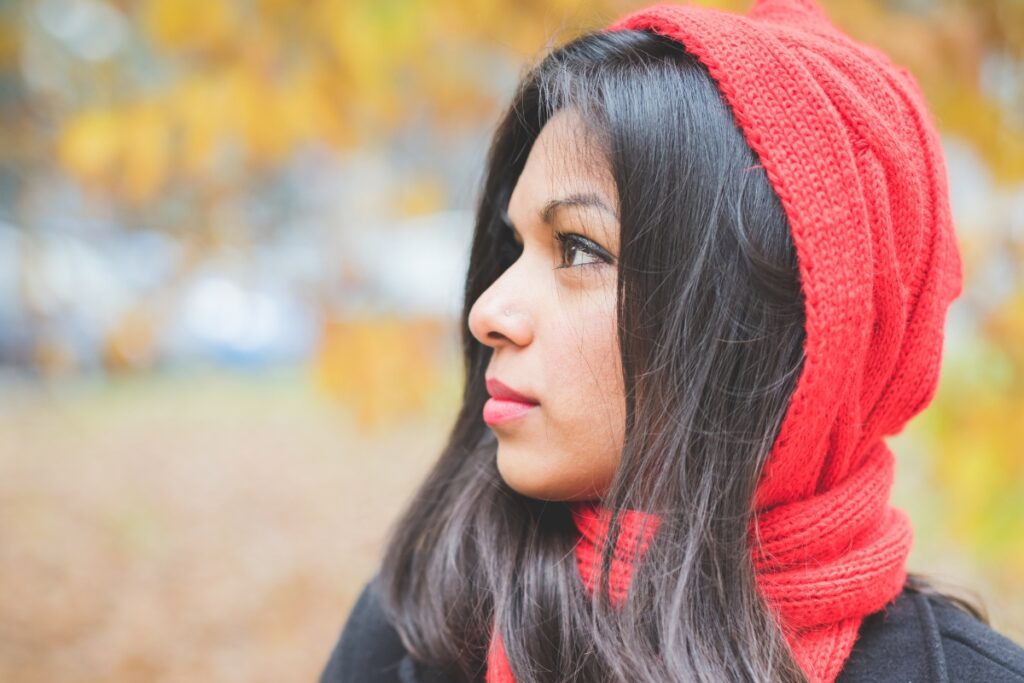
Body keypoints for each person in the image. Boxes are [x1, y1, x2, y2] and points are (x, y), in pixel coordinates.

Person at [319, 1, 1024, 681]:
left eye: (578, 247)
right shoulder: (417, 635)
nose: (489, 310)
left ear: (759, 323)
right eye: (513, 245)